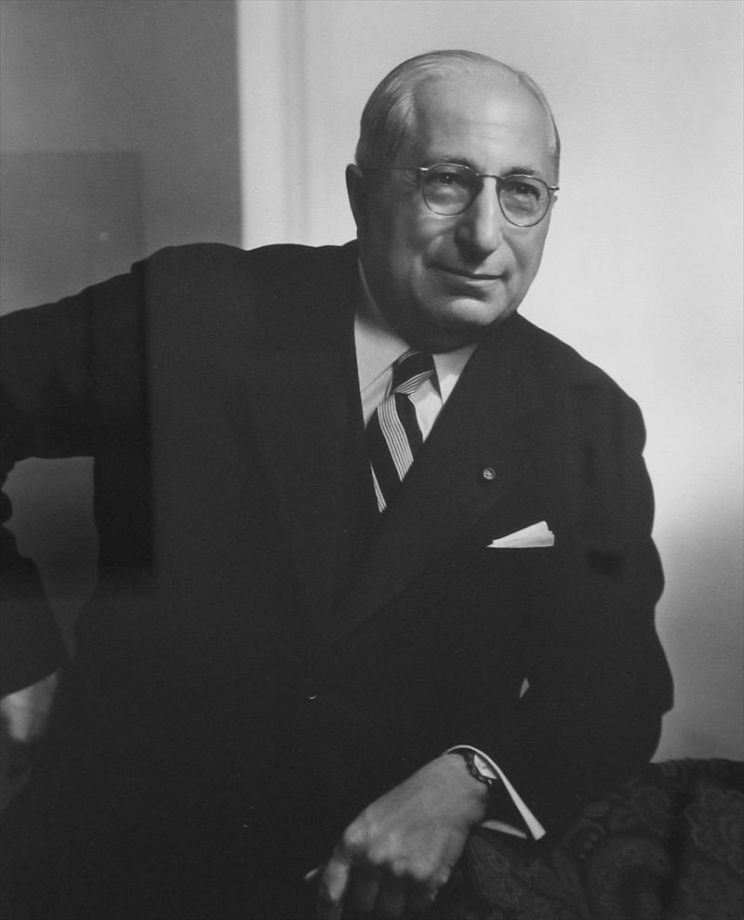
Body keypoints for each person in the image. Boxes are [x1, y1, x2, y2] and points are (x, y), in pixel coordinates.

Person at [0, 50, 673, 919]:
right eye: (446, 182)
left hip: (366, 900)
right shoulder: (195, 308)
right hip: (102, 871)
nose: (485, 235)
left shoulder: (589, 417)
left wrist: (472, 778)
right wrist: (16, 656)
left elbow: (617, 684)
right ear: (361, 193)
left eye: (521, 192)